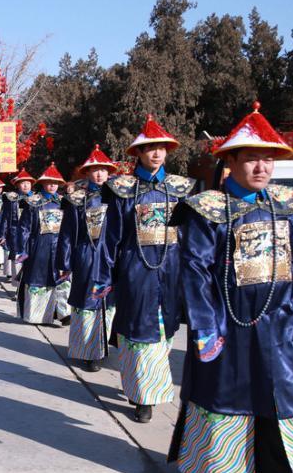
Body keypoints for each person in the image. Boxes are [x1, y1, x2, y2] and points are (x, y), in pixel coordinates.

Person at [167, 102, 293, 473]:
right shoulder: (206, 210)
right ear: (230, 161)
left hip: (277, 325)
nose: (262, 167)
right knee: (227, 396)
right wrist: (206, 328)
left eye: (268, 158)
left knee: (287, 397)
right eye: (251, 158)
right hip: (228, 324)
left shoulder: (285, 205)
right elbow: (194, 272)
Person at [104, 115, 194, 423]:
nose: (156, 154)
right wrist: (110, 275)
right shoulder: (122, 190)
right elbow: (112, 237)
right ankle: (146, 397)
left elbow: (189, 236)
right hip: (135, 271)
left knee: (164, 334)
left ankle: (140, 384)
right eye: (149, 148)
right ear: (138, 154)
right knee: (139, 335)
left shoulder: (181, 189)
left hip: (171, 271)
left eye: (161, 148)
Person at [58, 146, 116, 373]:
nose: (99, 174)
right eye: (94, 170)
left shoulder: (119, 197)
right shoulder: (77, 199)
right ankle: (89, 351)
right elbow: (67, 233)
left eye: (103, 169)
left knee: (108, 304)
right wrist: (65, 262)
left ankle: (102, 348)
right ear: (87, 173)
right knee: (88, 303)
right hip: (86, 256)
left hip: (111, 257)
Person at [15, 163, 71, 325]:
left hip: (60, 247)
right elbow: (24, 228)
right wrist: (22, 249)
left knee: (62, 278)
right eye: (49, 182)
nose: (53, 185)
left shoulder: (65, 203)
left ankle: (63, 312)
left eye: (56, 182)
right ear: (43, 183)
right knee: (39, 279)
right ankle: (38, 315)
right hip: (39, 248)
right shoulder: (33, 203)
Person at [0, 170, 36, 283]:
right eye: (23, 183)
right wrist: (2, 234)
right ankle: (18, 288)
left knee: (33, 260)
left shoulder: (38, 199)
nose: (26, 185)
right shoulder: (11, 199)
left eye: (28, 183)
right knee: (17, 259)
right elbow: (5, 218)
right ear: (17, 184)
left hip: (34, 234)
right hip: (16, 234)